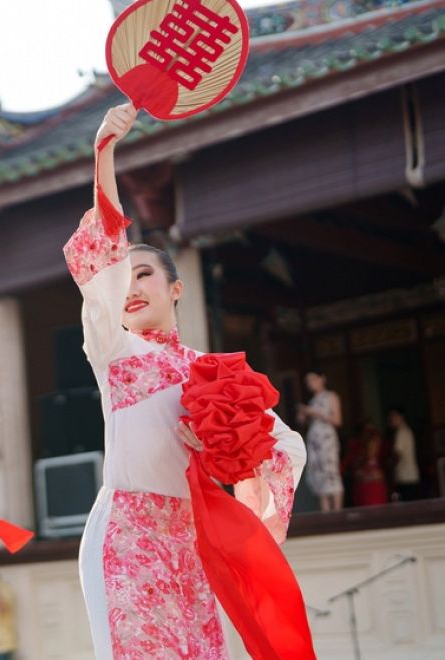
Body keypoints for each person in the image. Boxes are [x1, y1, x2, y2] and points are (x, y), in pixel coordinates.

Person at [67, 104, 307, 658]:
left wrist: (228, 455)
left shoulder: (215, 374)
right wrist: (104, 152)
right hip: (125, 533)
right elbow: (102, 257)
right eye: (125, 278)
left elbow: (284, 446)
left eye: (144, 274)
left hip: (193, 538)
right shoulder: (114, 350)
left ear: (176, 289)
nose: (131, 286)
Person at [298, 371, 344, 512]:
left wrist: (315, 412)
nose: (310, 384)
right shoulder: (312, 401)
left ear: (322, 378)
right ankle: (326, 513)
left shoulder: (331, 396)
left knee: (331, 474)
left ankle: (337, 512)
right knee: (319, 476)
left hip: (327, 440)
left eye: (313, 379)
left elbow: (337, 420)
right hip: (315, 441)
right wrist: (303, 415)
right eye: (308, 381)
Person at [342, 422, 389, 507]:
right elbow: (348, 468)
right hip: (363, 492)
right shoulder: (357, 453)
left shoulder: (381, 455)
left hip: (377, 492)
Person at [390, 407, 421, 502]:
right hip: (410, 476)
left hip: (405, 477)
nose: (391, 419)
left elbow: (398, 454)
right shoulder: (407, 430)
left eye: (394, 416)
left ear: (402, 417)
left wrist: (390, 465)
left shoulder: (401, 432)